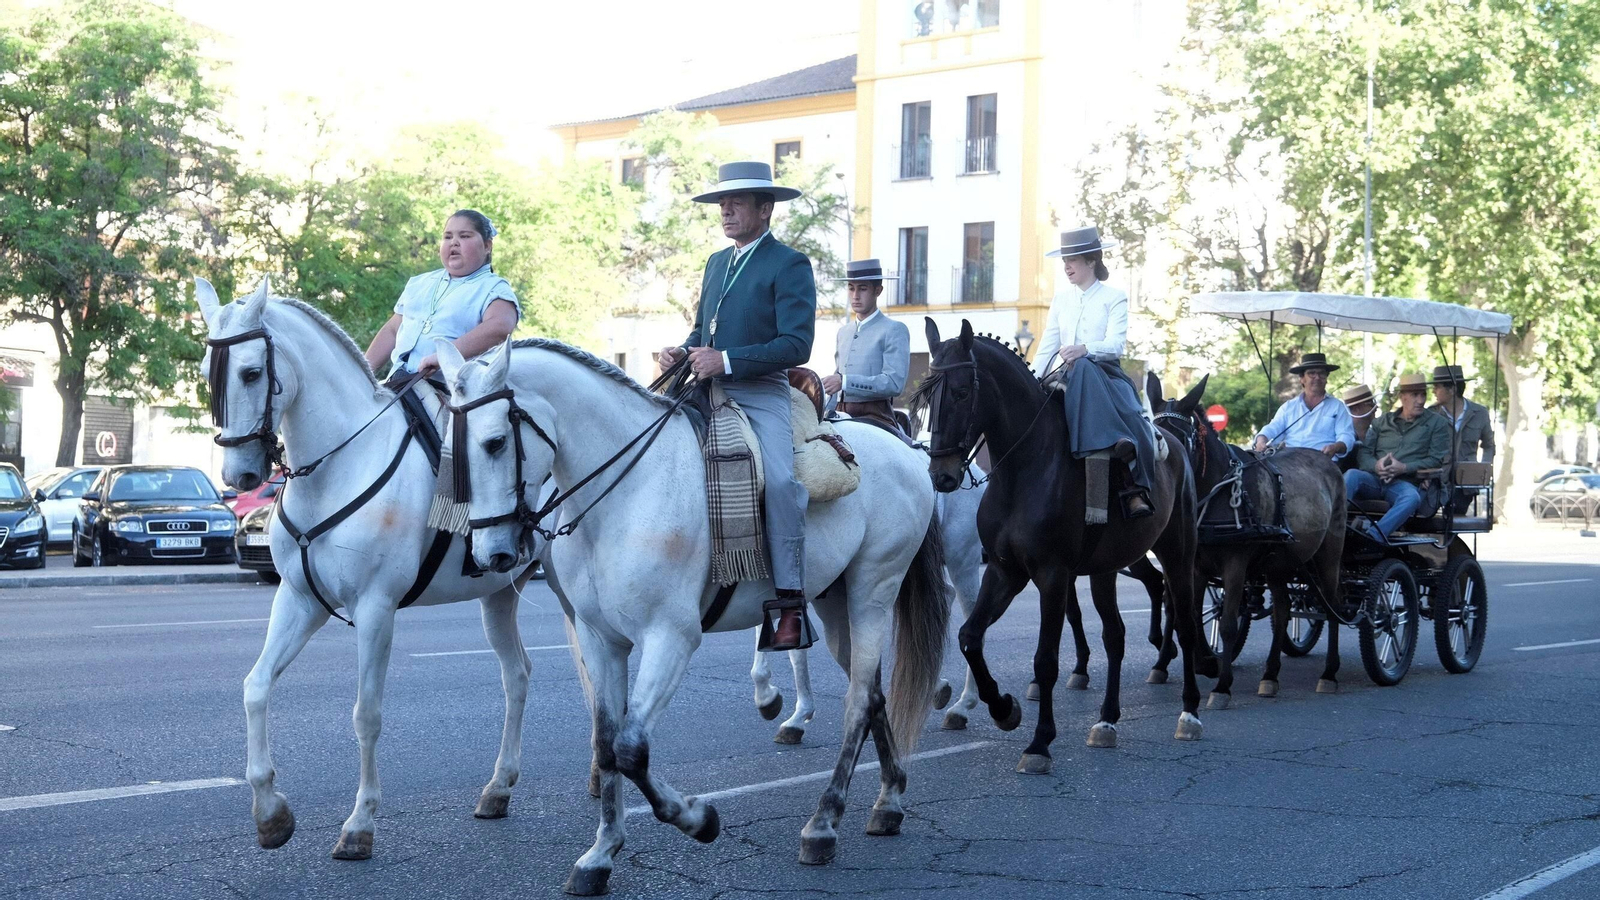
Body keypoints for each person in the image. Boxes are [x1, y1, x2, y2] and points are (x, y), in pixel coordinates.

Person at [657, 162, 816, 651]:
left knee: (783, 482)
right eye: (722, 203)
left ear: (765, 209)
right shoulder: (715, 262)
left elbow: (797, 345)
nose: (725, 210)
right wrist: (682, 352)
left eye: (737, 202)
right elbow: (702, 331)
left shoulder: (789, 264)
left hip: (760, 390)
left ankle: (789, 602)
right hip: (701, 386)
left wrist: (726, 359)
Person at [1032, 225, 1155, 518]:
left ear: (1091, 261)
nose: (1066, 266)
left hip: (1106, 376)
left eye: (1072, 259)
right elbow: (1048, 345)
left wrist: (1084, 350)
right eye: (1064, 260)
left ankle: (1132, 486)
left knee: (1087, 371)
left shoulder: (1115, 297)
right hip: (1063, 375)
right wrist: (1032, 378)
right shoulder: (1061, 299)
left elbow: (1116, 345)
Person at [364, 209, 520, 381]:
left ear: (487, 246)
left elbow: (500, 327)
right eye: (447, 237)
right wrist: (361, 373)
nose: (454, 242)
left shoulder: (494, 287)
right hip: (396, 384)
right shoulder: (420, 283)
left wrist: (443, 355)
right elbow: (392, 330)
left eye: (464, 236)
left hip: (452, 392)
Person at [1345, 372, 1453, 543]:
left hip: (1405, 483)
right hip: (1374, 479)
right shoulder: (1381, 422)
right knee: (1351, 475)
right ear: (1402, 397)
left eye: (1423, 394)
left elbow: (1435, 460)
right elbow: (1365, 454)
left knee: (1411, 498)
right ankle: (1335, 527)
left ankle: (1373, 537)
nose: (1421, 400)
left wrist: (1403, 468)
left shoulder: (1437, 423)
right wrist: (1377, 465)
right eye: (1414, 395)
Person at [824, 258, 912, 442]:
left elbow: (894, 383)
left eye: (862, 289)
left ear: (877, 291)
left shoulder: (894, 329)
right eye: (851, 288)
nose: (855, 295)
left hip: (876, 414)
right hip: (839, 413)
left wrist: (845, 382)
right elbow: (837, 380)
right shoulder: (843, 332)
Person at [1251, 352, 1355, 460]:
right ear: (1302, 378)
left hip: (1324, 463)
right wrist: (1261, 440)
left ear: (1326, 378)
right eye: (1312, 373)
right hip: (1291, 463)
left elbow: (1346, 435)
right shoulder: (1288, 407)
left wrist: (1335, 447)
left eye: (1322, 373)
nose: (1317, 377)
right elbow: (1273, 428)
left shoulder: (1338, 407)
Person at [1429, 365, 1495, 464]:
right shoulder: (1430, 415)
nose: (1433, 391)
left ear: (1452, 389)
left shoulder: (1480, 413)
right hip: (1439, 477)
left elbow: (1489, 445)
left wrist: (1483, 470)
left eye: (1437, 387)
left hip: (1469, 477)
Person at [1337, 383, 1377, 473]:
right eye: (1370, 404)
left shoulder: (1378, 434)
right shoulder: (1342, 438)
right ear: (1356, 409)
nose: (1376, 407)